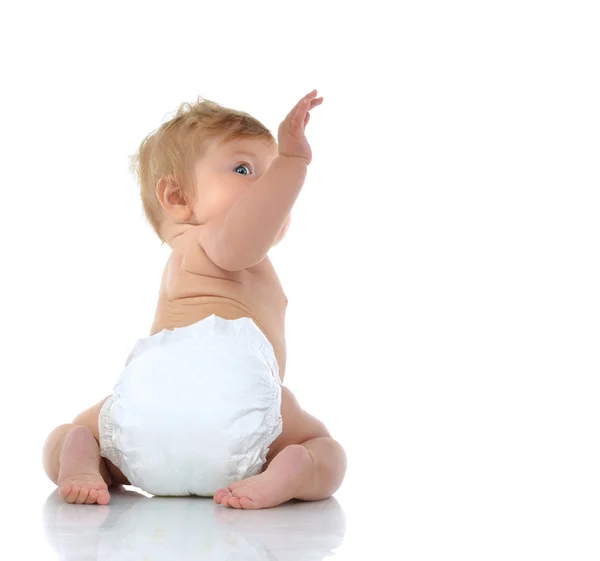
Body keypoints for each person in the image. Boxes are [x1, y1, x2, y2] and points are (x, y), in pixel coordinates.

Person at [42, 89, 347, 509]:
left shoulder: (189, 260)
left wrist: (83, 438)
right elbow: (245, 236)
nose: (268, 189)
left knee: (73, 431)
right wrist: (293, 164)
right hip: (229, 387)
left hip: (148, 410)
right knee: (325, 450)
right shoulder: (213, 243)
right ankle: (290, 469)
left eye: (272, 172)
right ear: (177, 198)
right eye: (245, 169)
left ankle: (78, 454)